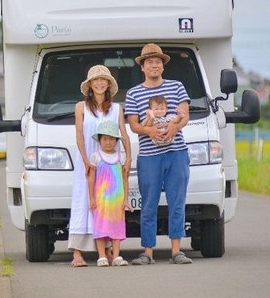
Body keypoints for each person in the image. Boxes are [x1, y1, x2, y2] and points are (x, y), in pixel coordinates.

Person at [125, 43, 193, 265]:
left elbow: (184, 115)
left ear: (163, 66)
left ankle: (176, 251)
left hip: (176, 153)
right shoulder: (134, 93)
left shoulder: (177, 87)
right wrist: (150, 131)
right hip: (149, 156)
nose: (154, 65)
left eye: (158, 62)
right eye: (149, 62)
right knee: (148, 204)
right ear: (142, 67)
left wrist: (174, 126)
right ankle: (148, 251)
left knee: (177, 202)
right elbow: (134, 125)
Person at [69, 65, 133, 267]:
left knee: (108, 203)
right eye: (95, 80)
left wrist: (128, 158)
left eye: (103, 79)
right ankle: (77, 252)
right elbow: (79, 135)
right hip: (88, 161)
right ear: (89, 85)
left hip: (111, 163)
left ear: (108, 84)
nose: (99, 83)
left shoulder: (116, 108)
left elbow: (124, 134)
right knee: (84, 199)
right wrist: (86, 160)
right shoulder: (81, 107)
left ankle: (108, 251)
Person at [87, 120, 133, 267]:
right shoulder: (96, 157)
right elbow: (91, 179)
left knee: (116, 227)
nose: (108, 142)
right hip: (101, 199)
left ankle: (116, 255)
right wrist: (91, 198)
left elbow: (125, 179)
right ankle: (102, 256)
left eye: (112, 139)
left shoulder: (121, 157)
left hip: (117, 200)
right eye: (105, 139)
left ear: (116, 141)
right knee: (100, 226)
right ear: (100, 140)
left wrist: (126, 199)